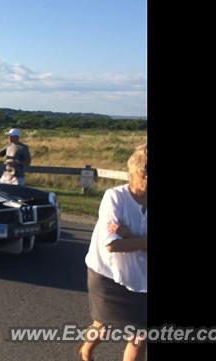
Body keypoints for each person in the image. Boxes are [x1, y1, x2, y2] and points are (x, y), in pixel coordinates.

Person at [78, 144, 147, 361]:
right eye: (146, 173)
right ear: (135, 173)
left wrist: (130, 237)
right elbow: (112, 245)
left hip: (141, 276)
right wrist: (137, 241)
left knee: (140, 334)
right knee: (103, 326)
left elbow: (124, 242)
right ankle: (86, 350)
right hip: (107, 272)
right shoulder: (115, 197)